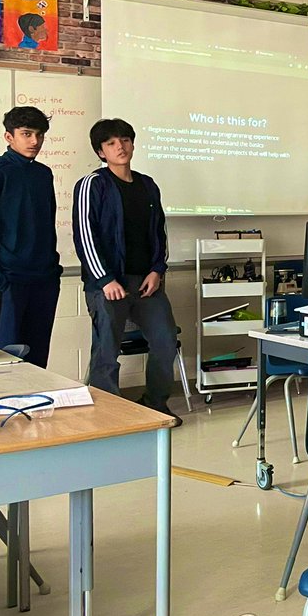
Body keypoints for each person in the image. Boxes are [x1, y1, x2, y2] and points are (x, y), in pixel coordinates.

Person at [73, 118, 181, 426]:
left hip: (147, 283)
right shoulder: (92, 184)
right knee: (107, 350)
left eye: (124, 140)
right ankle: (107, 414)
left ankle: (155, 403)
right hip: (108, 284)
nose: (120, 147)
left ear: (132, 143)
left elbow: (159, 234)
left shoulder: (148, 185)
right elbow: (84, 234)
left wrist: (158, 270)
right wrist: (105, 279)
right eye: (111, 143)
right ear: (101, 152)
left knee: (165, 341)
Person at [0, 106, 62, 368]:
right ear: (9, 137)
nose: (34, 141)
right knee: (7, 359)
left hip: (44, 280)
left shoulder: (43, 175)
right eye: (26, 134)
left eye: (39, 135)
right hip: (9, 282)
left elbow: (47, 226)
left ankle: (34, 408)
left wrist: (52, 270)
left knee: (37, 359)